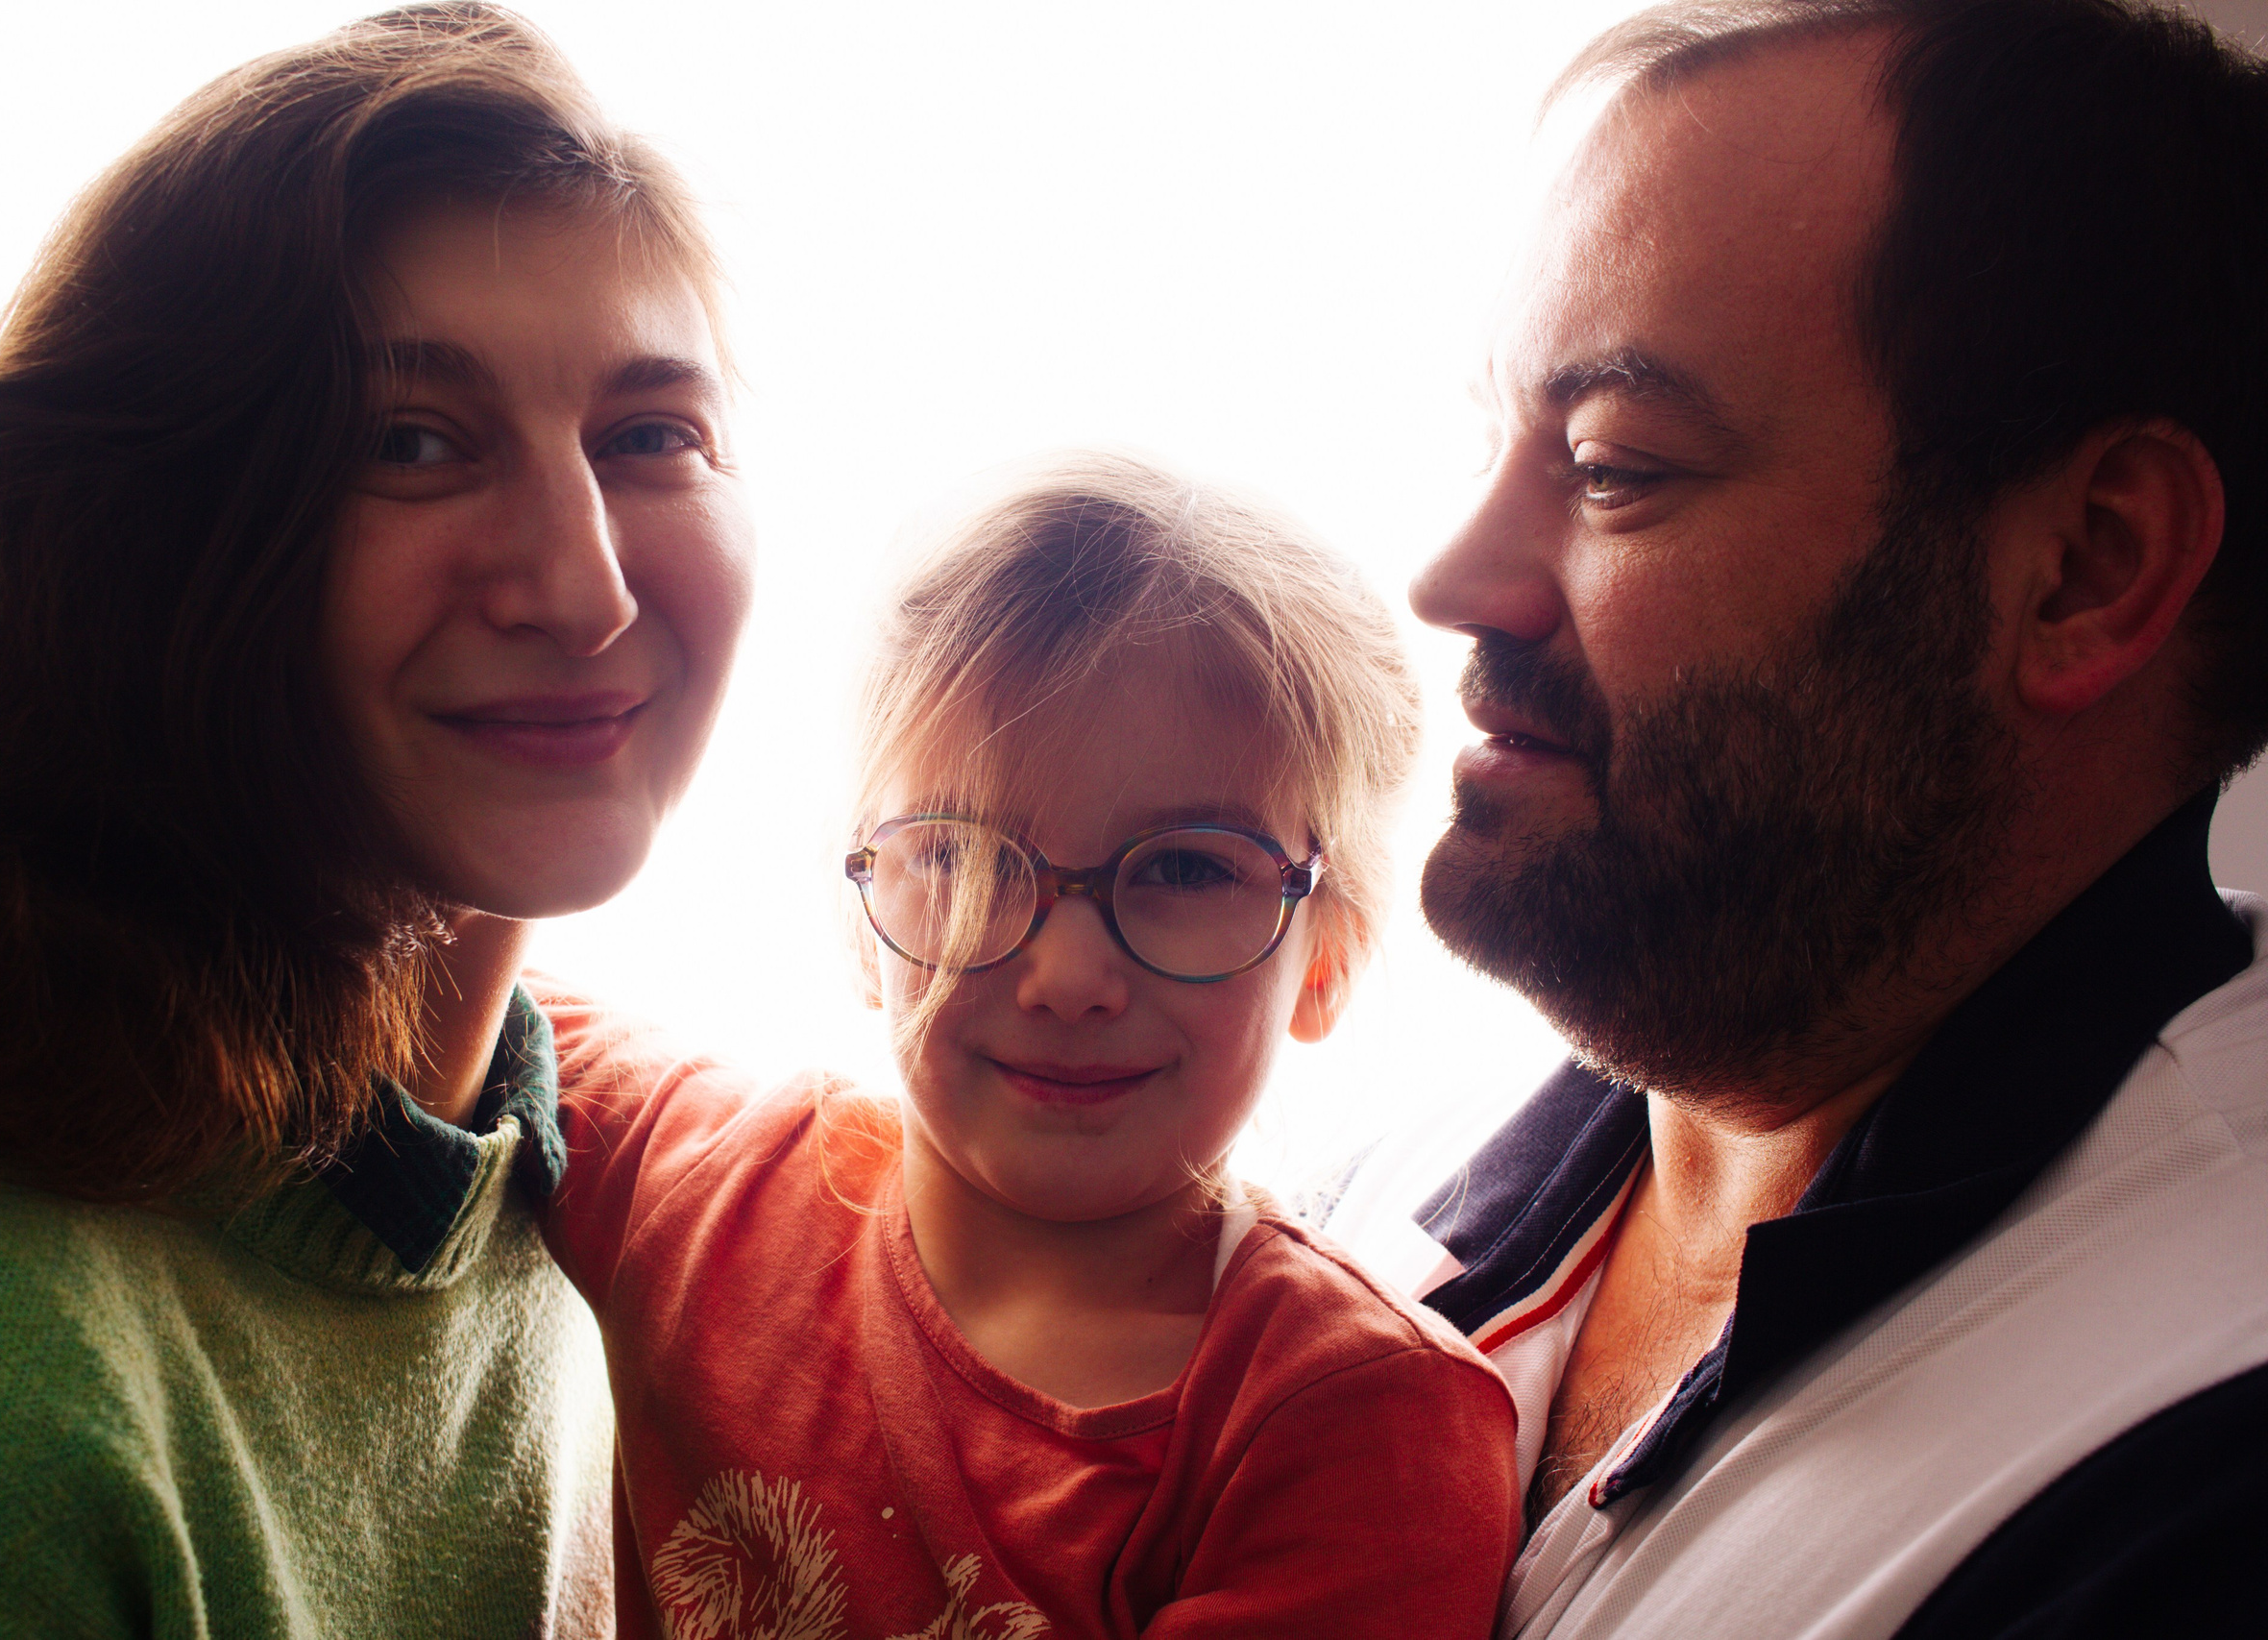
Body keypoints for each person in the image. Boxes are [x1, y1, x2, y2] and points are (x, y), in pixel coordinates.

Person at [1313, 1, 2268, 1634]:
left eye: (1619, 468)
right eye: (1499, 437)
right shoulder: (1396, 1181)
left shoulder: (2203, 1463)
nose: (1454, 576)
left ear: (2088, 567)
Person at [0, 7, 750, 1634]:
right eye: (409, 442)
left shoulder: (556, 1216)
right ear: (145, 542)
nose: (585, 586)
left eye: (647, 434)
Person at [544, 454, 1520, 1637]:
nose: (1066, 978)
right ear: (861, 911)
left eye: (1183, 867)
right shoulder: (690, 1177)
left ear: (1327, 957)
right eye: (959, 854)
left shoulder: (1358, 1427)